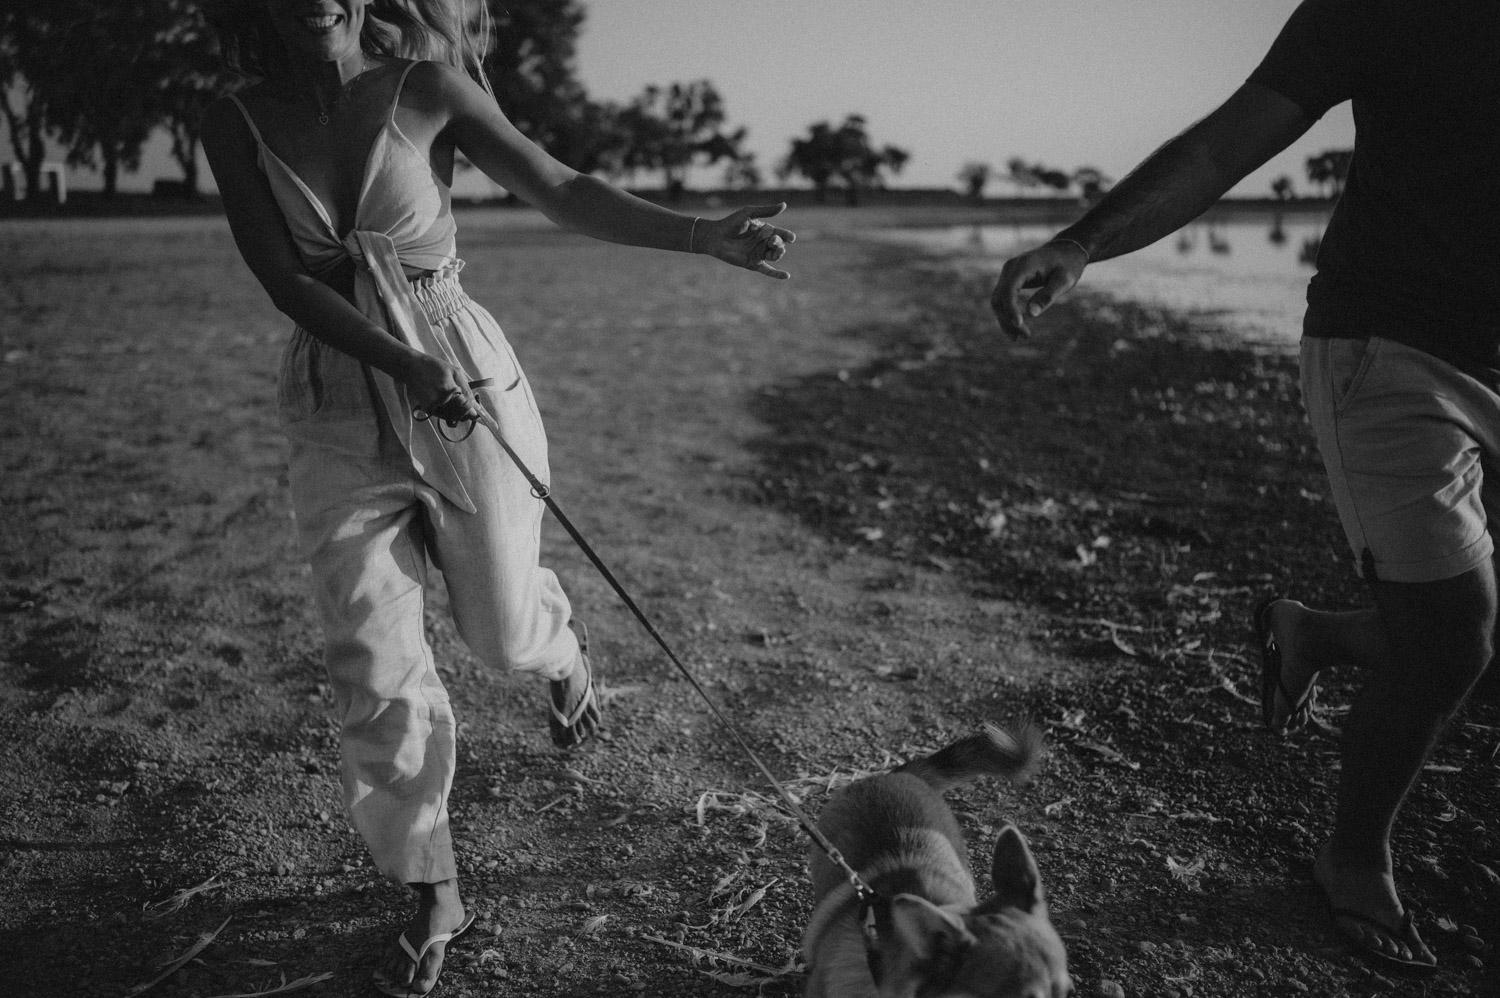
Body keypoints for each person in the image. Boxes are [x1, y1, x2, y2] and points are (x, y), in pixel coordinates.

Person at [201, 1, 794, 993]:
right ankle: (432, 882)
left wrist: (703, 235)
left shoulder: (427, 89)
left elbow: (560, 186)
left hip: (461, 369)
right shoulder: (233, 121)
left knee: (500, 634)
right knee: (371, 654)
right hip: (337, 393)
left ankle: (559, 650)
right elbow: (284, 280)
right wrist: (396, 359)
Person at [989, 0, 1497, 975]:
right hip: (1392, 348)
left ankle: (1319, 634)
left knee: (1464, 641)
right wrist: (1083, 244)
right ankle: (1355, 854)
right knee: (1453, 641)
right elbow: (1226, 144)